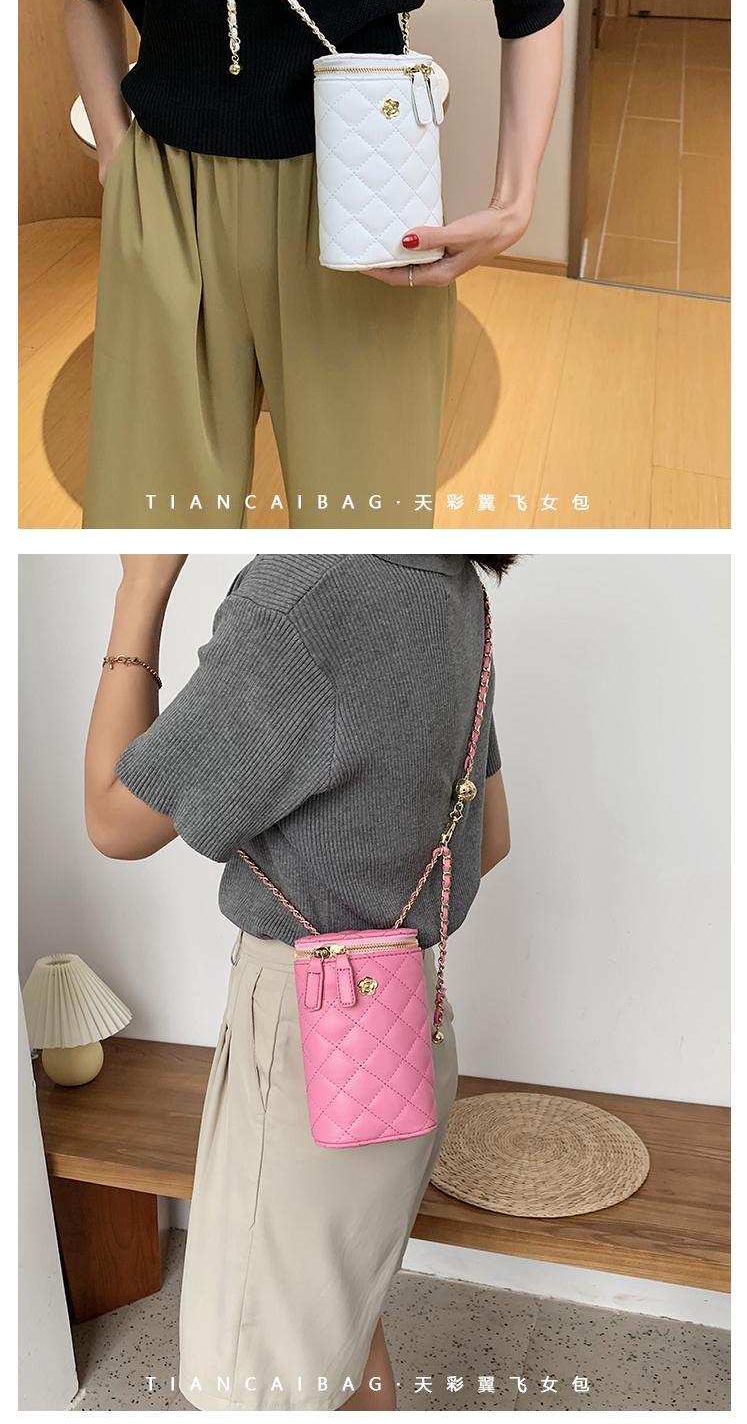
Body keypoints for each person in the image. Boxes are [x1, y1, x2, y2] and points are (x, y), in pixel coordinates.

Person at [39, 0, 564, 531]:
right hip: (164, 186)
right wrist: (115, 155)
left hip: (362, 190)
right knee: (149, 512)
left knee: (364, 524)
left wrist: (515, 202)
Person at [84, 549, 515, 1413]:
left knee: (260, 1379)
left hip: (310, 1048)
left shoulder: (306, 592)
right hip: (411, 1026)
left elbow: (113, 820)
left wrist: (143, 585)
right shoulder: (453, 584)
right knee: (337, 1335)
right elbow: (490, 839)